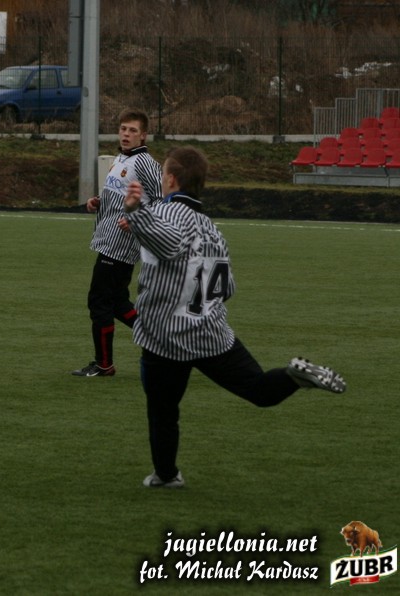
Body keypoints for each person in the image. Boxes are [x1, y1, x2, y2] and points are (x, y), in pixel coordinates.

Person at [120, 146, 346, 488]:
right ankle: (293, 377)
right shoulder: (212, 229)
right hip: (210, 332)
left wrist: (136, 212)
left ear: (171, 179)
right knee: (259, 390)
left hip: (165, 336)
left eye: (163, 174)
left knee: (163, 411)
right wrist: (141, 224)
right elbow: (226, 288)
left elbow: (167, 242)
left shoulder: (164, 213)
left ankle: (166, 475)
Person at [72, 109, 162, 377]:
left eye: (133, 130)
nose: (126, 134)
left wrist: (136, 221)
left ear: (143, 135)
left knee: (99, 301)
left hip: (120, 244)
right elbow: (120, 193)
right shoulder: (122, 158)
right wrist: (99, 201)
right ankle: (161, 341)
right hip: (108, 238)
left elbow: (162, 202)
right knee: (118, 302)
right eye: (123, 129)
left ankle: (104, 365)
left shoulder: (145, 162)